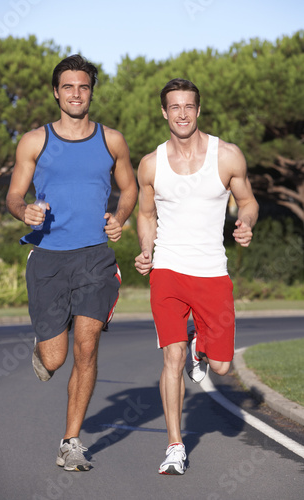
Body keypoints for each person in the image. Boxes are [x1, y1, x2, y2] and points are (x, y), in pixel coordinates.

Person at [6, 54, 138, 472]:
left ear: (91, 91)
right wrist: (23, 211)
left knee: (87, 346)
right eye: (68, 86)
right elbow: (13, 196)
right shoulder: (34, 141)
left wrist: (119, 218)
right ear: (56, 92)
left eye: (83, 86)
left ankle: (71, 442)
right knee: (54, 359)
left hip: (95, 258)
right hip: (47, 258)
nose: (76, 93)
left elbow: (130, 187)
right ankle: (44, 349)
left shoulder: (111, 140)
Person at [135, 78, 259, 475]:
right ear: (164, 112)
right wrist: (145, 249)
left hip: (211, 273)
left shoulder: (227, 156)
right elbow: (146, 214)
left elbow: (248, 201)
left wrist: (245, 222)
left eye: (189, 106)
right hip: (168, 270)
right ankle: (175, 445)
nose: (182, 114)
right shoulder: (151, 164)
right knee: (170, 358)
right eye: (175, 107)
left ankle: (199, 344)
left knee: (222, 367)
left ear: (198, 110)